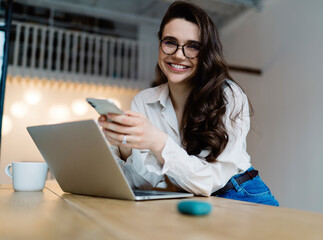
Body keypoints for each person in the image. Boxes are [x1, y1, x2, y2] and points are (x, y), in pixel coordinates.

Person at [98, 1, 279, 206]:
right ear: (160, 44)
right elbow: (141, 183)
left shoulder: (229, 96)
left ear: (206, 53)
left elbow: (209, 181)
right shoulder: (143, 101)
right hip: (189, 197)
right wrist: (125, 146)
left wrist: (157, 141)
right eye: (170, 42)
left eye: (192, 46)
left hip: (241, 193)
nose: (178, 54)